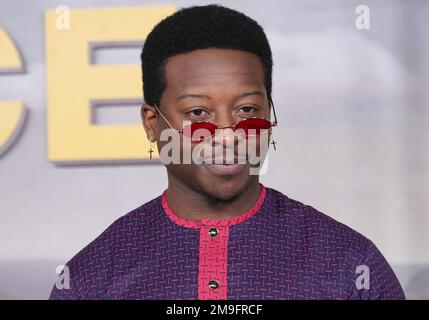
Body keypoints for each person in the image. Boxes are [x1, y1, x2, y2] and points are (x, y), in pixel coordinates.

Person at [49, 4, 405, 300]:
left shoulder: (351, 265)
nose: (228, 136)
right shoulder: (90, 279)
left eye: (247, 110)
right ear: (151, 122)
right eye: (198, 114)